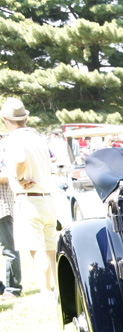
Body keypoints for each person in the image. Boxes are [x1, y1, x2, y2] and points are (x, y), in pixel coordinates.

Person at [2, 97, 57, 296]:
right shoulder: (38, 137)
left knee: (36, 247)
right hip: (47, 197)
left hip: (28, 197)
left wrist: (18, 177)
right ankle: (59, 286)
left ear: (6, 120)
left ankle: (45, 289)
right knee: (50, 246)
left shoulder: (15, 139)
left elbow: (20, 159)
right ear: (25, 118)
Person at [0, 148, 20, 299]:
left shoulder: (5, 154)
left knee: (10, 251)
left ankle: (12, 289)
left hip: (2, 210)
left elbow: (11, 176)